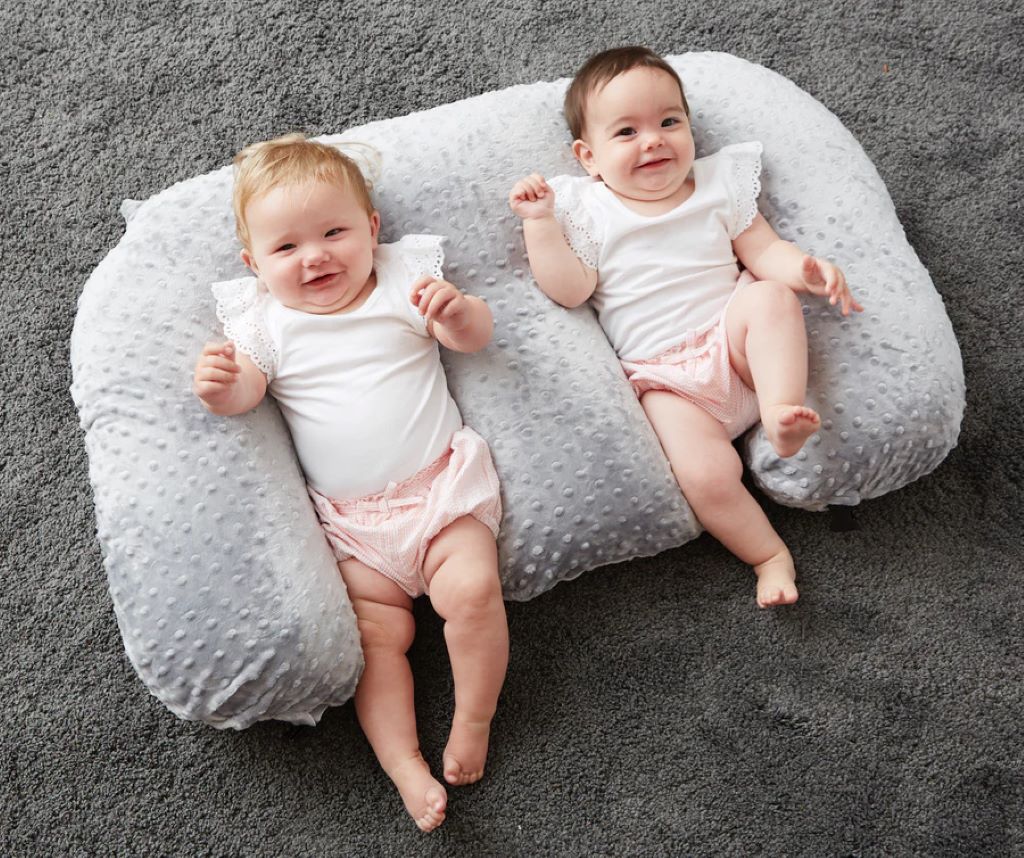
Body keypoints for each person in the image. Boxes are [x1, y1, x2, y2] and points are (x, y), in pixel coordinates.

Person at [193, 134, 507, 832]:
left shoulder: (403, 281)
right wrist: (222, 388)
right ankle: (403, 764)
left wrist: (456, 314)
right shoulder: (265, 324)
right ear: (254, 264)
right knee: (375, 639)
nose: (316, 257)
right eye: (286, 249)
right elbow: (248, 391)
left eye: (334, 232)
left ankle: (475, 717)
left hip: (440, 492)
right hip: (353, 525)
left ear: (371, 230)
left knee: (475, 593)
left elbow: (476, 335)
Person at [509, 47, 863, 609]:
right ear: (589, 157)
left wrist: (805, 271)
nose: (654, 140)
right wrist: (539, 226)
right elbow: (569, 289)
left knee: (770, 297)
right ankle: (768, 556)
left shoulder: (719, 186)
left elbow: (763, 251)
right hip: (668, 380)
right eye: (627, 132)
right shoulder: (589, 209)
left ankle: (779, 413)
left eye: (669, 122)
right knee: (703, 474)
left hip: (732, 339)